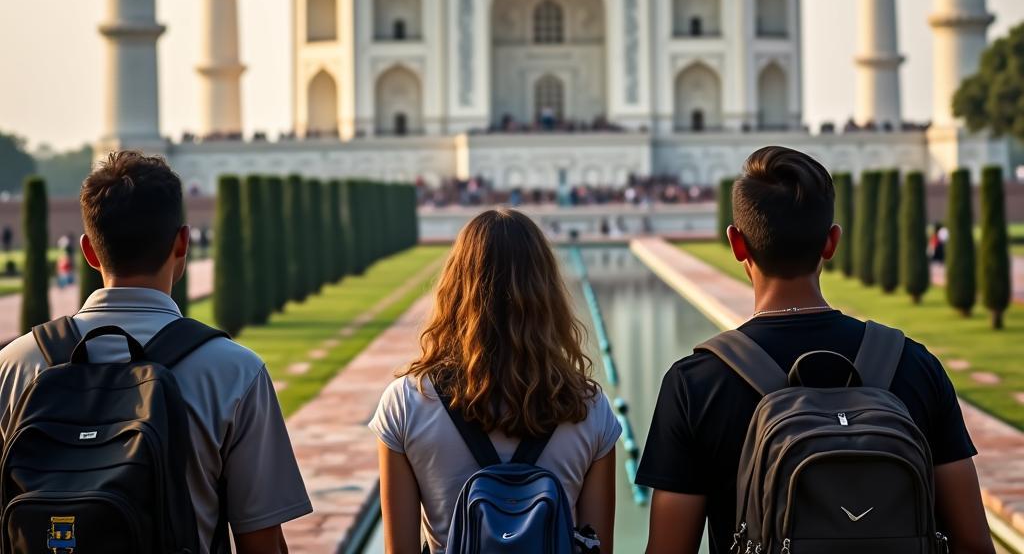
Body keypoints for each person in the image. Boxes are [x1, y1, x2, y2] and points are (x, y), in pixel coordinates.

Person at [637, 146, 994, 554]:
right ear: (832, 242)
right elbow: (972, 543)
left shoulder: (696, 383)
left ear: (737, 244)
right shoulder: (913, 365)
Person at [0, 151, 311, 554]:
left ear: (89, 251)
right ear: (181, 243)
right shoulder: (232, 371)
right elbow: (261, 540)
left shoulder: (17, 365)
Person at [370, 208, 620, 554]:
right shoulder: (590, 409)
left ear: (455, 287)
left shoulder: (406, 403)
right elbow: (596, 547)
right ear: (547, 291)